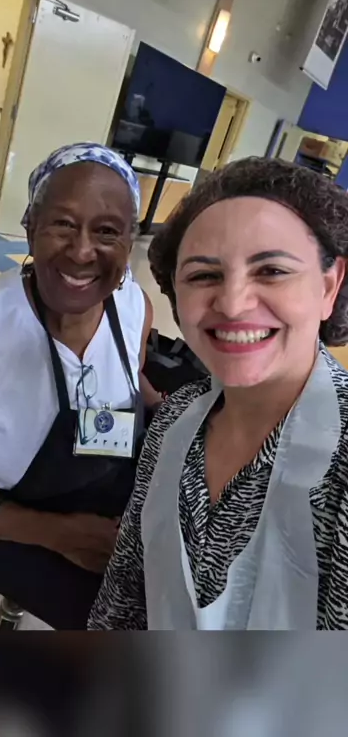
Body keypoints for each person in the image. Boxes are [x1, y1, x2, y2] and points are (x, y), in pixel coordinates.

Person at [0, 142, 160, 630]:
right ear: (30, 228)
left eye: (107, 231)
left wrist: (162, 407)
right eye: (63, 224)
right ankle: (17, 600)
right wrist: (57, 534)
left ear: (130, 242)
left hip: (101, 483)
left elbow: (130, 370)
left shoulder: (133, 305)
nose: (82, 251)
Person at [88, 156, 348, 630]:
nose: (232, 304)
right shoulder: (174, 423)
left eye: (272, 270)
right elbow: (125, 590)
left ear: (329, 287)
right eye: (204, 275)